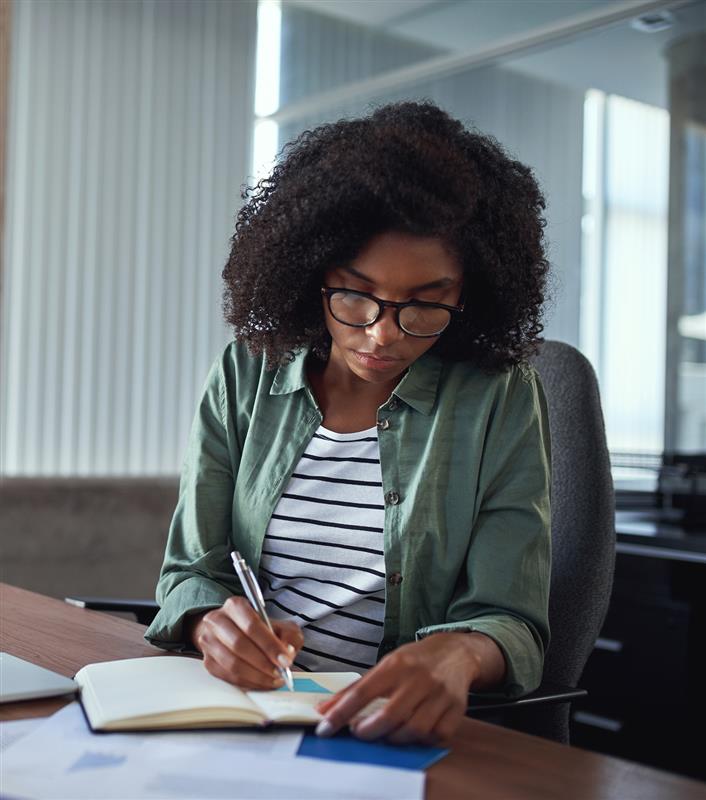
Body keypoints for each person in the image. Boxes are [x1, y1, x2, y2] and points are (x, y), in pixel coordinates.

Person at [144, 100, 551, 746]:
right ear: (313, 274)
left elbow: (512, 620)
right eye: (355, 295)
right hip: (250, 718)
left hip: (397, 738)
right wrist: (208, 624)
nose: (382, 334)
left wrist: (460, 655)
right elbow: (191, 573)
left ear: (468, 296)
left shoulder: (498, 399)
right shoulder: (245, 375)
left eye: (425, 304)